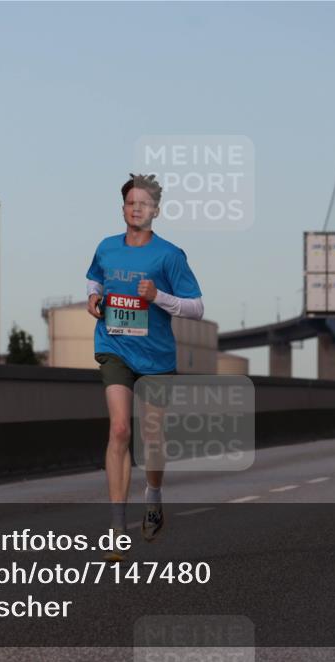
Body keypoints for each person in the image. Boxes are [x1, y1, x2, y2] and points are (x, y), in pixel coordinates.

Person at [86, 174, 204, 561]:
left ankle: (153, 495)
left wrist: (160, 297)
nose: (136, 209)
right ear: (123, 208)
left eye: (144, 204)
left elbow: (196, 307)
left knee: (152, 439)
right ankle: (117, 529)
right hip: (115, 346)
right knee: (119, 429)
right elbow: (94, 280)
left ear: (156, 210)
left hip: (155, 356)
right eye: (130, 203)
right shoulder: (106, 248)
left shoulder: (170, 255)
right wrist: (93, 299)